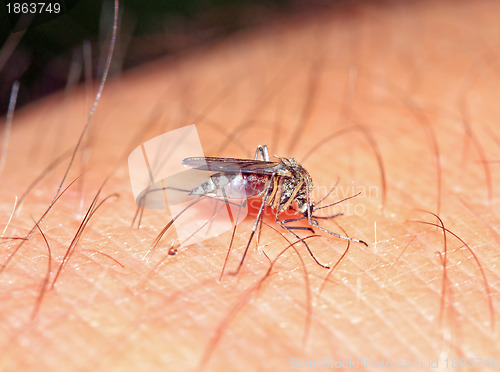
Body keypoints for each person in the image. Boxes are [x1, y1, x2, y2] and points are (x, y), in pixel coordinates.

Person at [1, 1, 498, 370]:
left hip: (252, 178)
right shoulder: (276, 187)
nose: (301, 210)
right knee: (241, 194)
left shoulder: (290, 186)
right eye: (302, 207)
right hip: (237, 181)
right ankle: (195, 205)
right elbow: (269, 196)